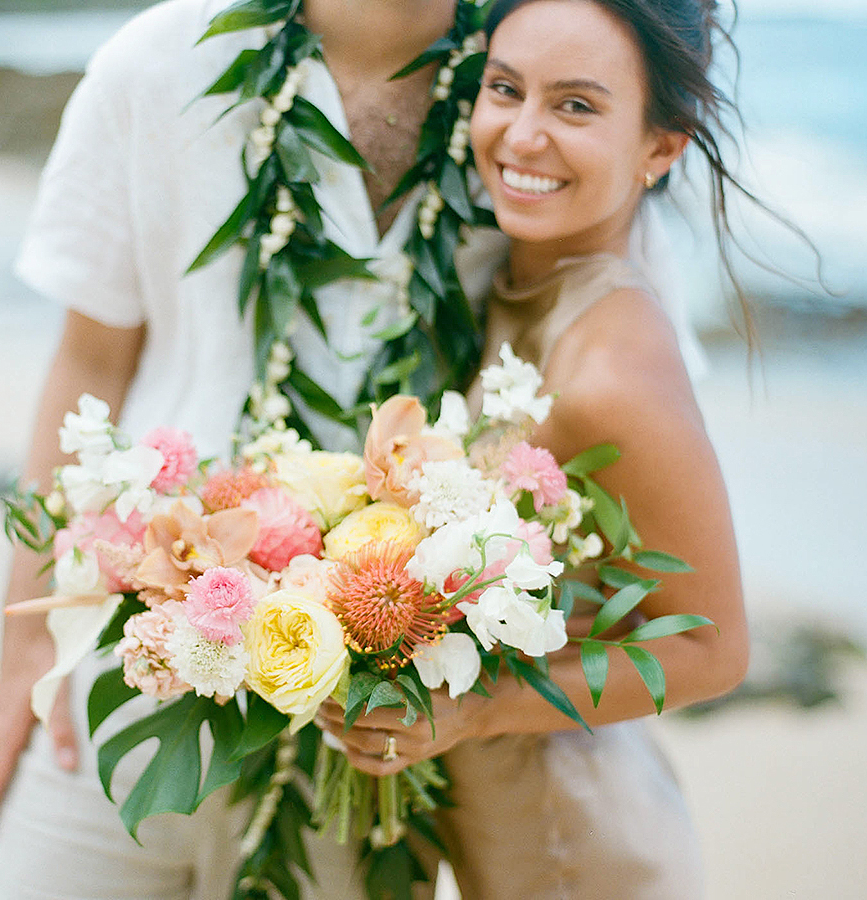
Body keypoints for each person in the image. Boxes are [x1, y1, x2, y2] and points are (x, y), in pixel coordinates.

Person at [0, 0, 507, 896]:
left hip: (372, 720)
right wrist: (23, 644)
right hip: (135, 646)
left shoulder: (530, 88)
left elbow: (598, 330)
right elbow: (89, 358)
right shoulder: (156, 62)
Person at [315, 0, 752, 896]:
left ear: (660, 147)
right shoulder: (500, 278)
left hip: (574, 845)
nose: (521, 135)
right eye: (505, 90)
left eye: (577, 106)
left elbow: (715, 650)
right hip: (497, 827)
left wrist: (472, 715)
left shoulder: (612, 368)